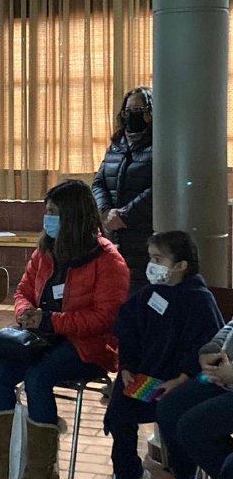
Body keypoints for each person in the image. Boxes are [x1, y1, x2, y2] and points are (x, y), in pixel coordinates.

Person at [0, 179, 130, 479]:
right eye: (47, 211)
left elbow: (104, 318)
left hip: (88, 347)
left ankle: (42, 469)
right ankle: (9, 460)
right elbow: (23, 291)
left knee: (38, 377)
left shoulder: (108, 260)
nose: (47, 218)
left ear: (73, 216)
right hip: (41, 338)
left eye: (53, 212)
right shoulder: (45, 251)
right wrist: (25, 312)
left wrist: (50, 320)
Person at [103, 231, 223, 479]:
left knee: (175, 415)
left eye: (158, 259)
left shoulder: (198, 299)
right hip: (149, 379)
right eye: (150, 258)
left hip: (183, 381)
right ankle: (128, 471)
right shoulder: (150, 294)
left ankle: (181, 473)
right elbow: (129, 331)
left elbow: (206, 346)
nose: (152, 265)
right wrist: (126, 367)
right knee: (119, 409)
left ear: (181, 265)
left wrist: (183, 378)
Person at [92, 86, 153, 293]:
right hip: (113, 234)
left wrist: (125, 215)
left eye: (138, 109)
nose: (131, 115)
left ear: (150, 113)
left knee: (138, 294)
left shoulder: (160, 144)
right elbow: (98, 182)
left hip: (143, 236)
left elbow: (160, 189)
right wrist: (105, 211)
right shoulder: (116, 146)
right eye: (128, 110)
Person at [157, 317, 233, 479]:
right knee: (169, 408)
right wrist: (210, 350)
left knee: (192, 428)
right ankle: (186, 474)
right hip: (221, 374)